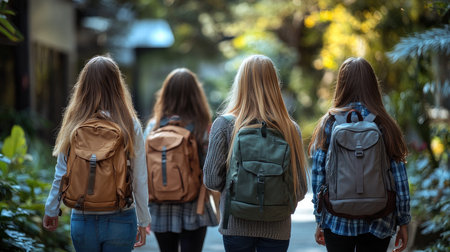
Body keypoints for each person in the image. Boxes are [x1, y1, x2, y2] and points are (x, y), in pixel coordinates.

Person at [42, 55, 151, 251]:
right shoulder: (129, 123)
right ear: (117, 85)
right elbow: (139, 177)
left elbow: (62, 172)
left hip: (83, 216)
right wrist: (143, 219)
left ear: (83, 85)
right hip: (121, 215)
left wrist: (51, 209)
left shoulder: (74, 122)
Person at [203, 54, 309, 252]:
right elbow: (301, 188)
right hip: (278, 226)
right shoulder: (290, 129)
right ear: (274, 84)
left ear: (240, 83)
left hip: (236, 225)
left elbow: (211, 180)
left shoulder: (225, 125)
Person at [309, 57, 411, 252]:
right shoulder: (384, 124)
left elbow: (318, 175)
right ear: (373, 85)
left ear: (341, 85)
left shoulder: (329, 123)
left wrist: (319, 219)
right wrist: (403, 221)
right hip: (380, 219)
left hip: (337, 217)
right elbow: (400, 178)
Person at [144, 68, 219, 252]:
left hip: (160, 205)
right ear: (196, 94)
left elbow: (143, 168)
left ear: (165, 93)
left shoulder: (153, 127)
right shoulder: (202, 126)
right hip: (193, 205)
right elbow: (211, 168)